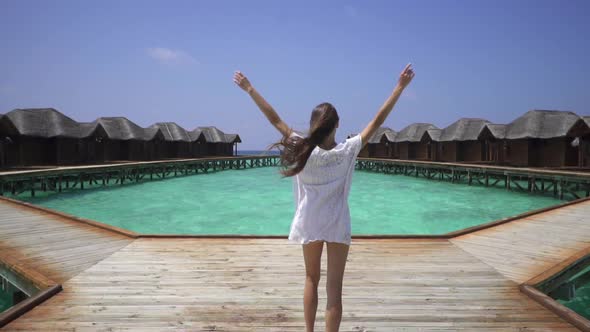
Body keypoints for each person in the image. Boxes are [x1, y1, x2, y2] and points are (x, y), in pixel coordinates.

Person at [234, 64, 415, 332]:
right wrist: (399, 87)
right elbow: (377, 121)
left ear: (312, 125)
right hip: (337, 222)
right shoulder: (348, 150)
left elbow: (274, 119)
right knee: (334, 289)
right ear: (337, 125)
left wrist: (249, 89)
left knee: (310, 278)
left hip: (309, 222)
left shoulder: (302, 147)